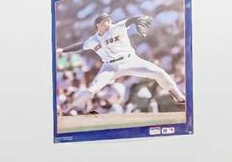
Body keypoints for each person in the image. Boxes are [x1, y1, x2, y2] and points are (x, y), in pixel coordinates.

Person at [57, 13, 185, 114]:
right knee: (91, 90)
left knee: (159, 72)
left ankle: (180, 98)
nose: (109, 22)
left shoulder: (117, 27)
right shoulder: (93, 40)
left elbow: (132, 20)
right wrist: (62, 50)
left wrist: (138, 20)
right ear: (98, 24)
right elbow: (80, 46)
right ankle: (69, 108)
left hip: (130, 60)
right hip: (109, 67)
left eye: (109, 20)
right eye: (105, 21)